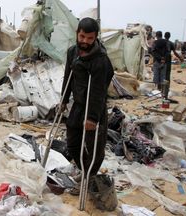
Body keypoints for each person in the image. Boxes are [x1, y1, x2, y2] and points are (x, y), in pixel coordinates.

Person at [60, 17, 114, 194]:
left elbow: (99, 92)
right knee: (73, 142)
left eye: (90, 38)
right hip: (78, 105)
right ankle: (85, 171)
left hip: (94, 107)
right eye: (82, 37)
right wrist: (64, 100)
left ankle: (88, 177)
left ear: (96, 37)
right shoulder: (72, 52)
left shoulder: (100, 59)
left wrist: (92, 118)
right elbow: (68, 76)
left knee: (94, 148)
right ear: (77, 33)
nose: (85, 41)